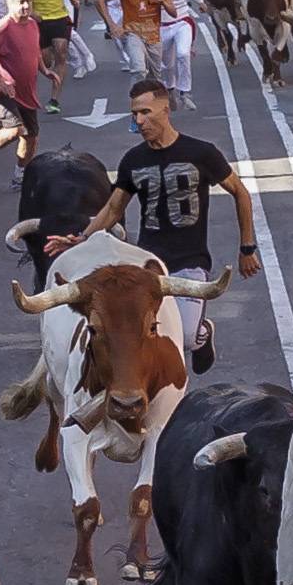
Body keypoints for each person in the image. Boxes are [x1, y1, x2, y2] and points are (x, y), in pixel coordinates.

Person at [104, 78, 258, 368]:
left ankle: (203, 332)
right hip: (148, 262)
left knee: (186, 338)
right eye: (134, 114)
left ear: (165, 109)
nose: (139, 121)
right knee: (140, 334)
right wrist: (81, 238)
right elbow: (113, 208)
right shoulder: (133, 160)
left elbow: (240, 192)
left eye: (145, 112)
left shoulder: (201, 153)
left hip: (190, 261)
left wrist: (247, 247)